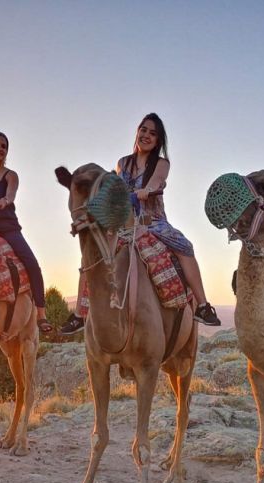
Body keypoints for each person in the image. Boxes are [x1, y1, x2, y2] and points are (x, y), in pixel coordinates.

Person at [60, 113, 221, 334]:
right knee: (91, 254)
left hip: (152, 221)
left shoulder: (162, 163)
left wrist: (146, 191)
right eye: (143, 130)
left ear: (158, 140)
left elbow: (157, 181)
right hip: (123, 223)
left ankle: (202, 305)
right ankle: (80, 314)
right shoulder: (122, 163)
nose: (146, 135)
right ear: (137, 131)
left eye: (152, 133)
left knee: (185, 247)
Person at [0, 132, 53, 332]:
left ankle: (41, 313)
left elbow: (11, 194)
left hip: (7, 228)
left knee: (32, 263)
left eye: (3, 146)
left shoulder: (11, 175)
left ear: (6, 151)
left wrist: (4, 202)